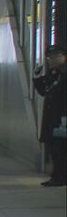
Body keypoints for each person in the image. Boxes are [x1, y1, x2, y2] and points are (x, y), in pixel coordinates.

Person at [33, 44, 67, 187]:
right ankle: (57, 175)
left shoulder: (64, 74)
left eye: (55, 56)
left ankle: (60, 177)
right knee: (54, 147)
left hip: (62, 117)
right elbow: (43, 91)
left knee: (60, 148)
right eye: (49, 57)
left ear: (64, 57)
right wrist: (36, 76)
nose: (51, 60)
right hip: (53, 117)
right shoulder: (54, 73)